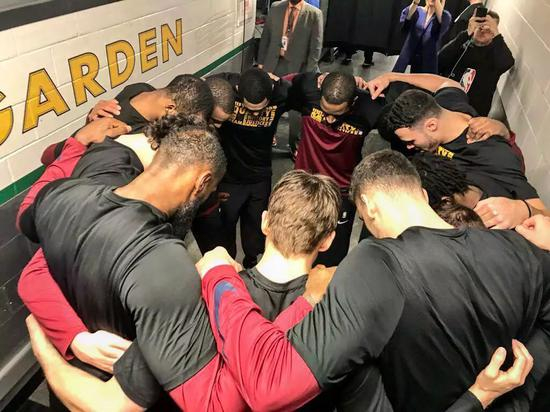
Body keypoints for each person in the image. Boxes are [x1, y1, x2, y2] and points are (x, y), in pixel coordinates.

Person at [22, 155, 532, 412]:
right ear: (329, 240)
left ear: (264, 222)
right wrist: (475, 397)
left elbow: (106, 404)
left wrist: (45, 343)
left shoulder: (192, 301)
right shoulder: (356, 324)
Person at [195, 149, 549, 411]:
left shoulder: (376, 264)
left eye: (364, 218)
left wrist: (220, 275)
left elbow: (270, 384)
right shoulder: (518, 249)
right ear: (423, 195)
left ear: (369, 205)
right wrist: (512, 392)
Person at [18, 116, 230, 411]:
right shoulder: (165, 263)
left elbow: (26, 223)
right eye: (207, 193)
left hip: (67, 387)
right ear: (203, 182)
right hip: (105, 397)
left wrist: (51, 342)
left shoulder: (59, 195)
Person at [368, 71, 549, 229]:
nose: (409, 146)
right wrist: (392, 76)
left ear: (431, 125)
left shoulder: (491, 152)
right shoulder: (446, 107)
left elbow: (544, 214)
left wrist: (524, 210)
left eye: (411, 140)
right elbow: (448, 84)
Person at [288, 71, 385, 266]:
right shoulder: (308, 88)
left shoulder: (369, 107)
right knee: (295, 247)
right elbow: (280, 82)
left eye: (337, 114)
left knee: (332, 257)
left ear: (353, 101)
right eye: (325, 111)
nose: (330, 119)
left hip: (341, 193)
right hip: (303, 186)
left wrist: (389, 79)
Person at [212, 68, 292, 268]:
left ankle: (251, 261)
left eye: (260, 109)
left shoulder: (281, 93)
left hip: (260, 176)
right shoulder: (228, 89)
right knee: (226, 227)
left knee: (256, 227)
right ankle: (228, 265)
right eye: (250, 109)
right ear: (238, 91)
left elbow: (308, 89)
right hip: (230, 178)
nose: (255, 114)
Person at [41, 74, 215, 166]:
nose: (184, 126)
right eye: (185, 120)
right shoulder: (130, 134)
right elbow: (49, 156)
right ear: (170, 108)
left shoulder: (140, 89)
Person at [439, 11, 514, 116]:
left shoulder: (495, 53)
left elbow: (506, 63)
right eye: (480, 23)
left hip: (472, 112)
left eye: (488, 26)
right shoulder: (462, 45)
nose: (483, 29)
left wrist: (496, 35)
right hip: (444, 104)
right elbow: (439, 60)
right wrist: (467, 33)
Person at [258, 0, 323, 76]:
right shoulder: (275, 7)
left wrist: (307, 76)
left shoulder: (314, 14)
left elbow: (315, 49)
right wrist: (261, 63)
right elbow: (265, 37)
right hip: (271, 65)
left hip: (297, 69)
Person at [393, 0, 452, 74]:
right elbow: (406, 19)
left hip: (427, 62)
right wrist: (415, 3)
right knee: (397, 77)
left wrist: (438, 3)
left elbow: (442, 21)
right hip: (407, 56)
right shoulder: (417, 10)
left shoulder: (445, 16)